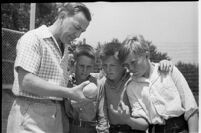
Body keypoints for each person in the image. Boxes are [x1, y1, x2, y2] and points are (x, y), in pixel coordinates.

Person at [7, 3, 92, 133]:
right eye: (77, 27)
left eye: (82, 31)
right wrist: (69, 93)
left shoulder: (65, 49)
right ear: (62, 16)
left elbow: (55, 86)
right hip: (30, 114)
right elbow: (26, 81)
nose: (78, 35)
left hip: (56, 115)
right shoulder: (34, 38)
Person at [118, 35, 198, 133]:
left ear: (146, 55)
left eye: (133, 62)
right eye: (126, 65)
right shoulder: (131, 87)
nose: (130, 68)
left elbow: (191, 109)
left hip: (180, 128)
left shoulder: (169, 71)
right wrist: (128, 120)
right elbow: (144, 124)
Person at [99, 41, 174, 133]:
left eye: (112, 65)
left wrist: (164, 62)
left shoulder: (133, 79)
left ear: (123, 65)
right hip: (113, 129)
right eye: (104, 66)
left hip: (135, 128)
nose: (108, 69)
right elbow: (102, 111)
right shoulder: (102, 83)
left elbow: (148, 69)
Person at [62, 44, 109, 133]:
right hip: (69, 129)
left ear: (93, 66)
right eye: (81, 66)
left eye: (88, 67)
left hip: (90, 130)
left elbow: (102, 116)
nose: (84, 70)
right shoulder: (66, 84)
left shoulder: (98, 85)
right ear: (75, 63)